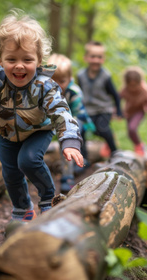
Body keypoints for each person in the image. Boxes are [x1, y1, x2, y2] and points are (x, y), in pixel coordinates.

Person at [0, 11, 83, 222]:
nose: (19, 65)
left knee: (29, 160)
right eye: (11, 59)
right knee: (11, 174)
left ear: (39, 60)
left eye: (27, 59)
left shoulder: (45, 86)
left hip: (38, 131)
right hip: (7, 134)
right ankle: (23, 209)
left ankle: (48, 199)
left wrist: (69, 140)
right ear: (0, 60)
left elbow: (60, 112)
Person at [47, 53, 95, 192]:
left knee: (69, 141)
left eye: (61, 81)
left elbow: (76, 114)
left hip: (75, 119)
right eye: (53, 81)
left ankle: (67, 177)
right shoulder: (44, 91)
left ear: (70, 79)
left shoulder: (74, 92)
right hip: (55, 120)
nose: (57, 86)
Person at [77, 41, 123, 158]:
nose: (96, 60)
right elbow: (78, 93)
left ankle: (114, 151)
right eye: (93, 57)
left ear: (103, 59)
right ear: (86, 58)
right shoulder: (81, 75)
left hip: (103, 109)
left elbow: (114, 94)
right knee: (80, 131)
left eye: (99, 57)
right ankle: (84, 158)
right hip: (87, 109)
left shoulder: (105, 76)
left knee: (102, 129)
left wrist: (118, 111)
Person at [119, 66, 147, 156]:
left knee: (132, 128)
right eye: (130, 86)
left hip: (139, 112)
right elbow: (117, 101)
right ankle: (138, 146)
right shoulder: (124, 90)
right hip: (128, 112)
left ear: (140, 82)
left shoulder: (144, 91)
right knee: (129, 133)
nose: (133, 88)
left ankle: (140, 146)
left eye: (135, 85)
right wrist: (118, 113)